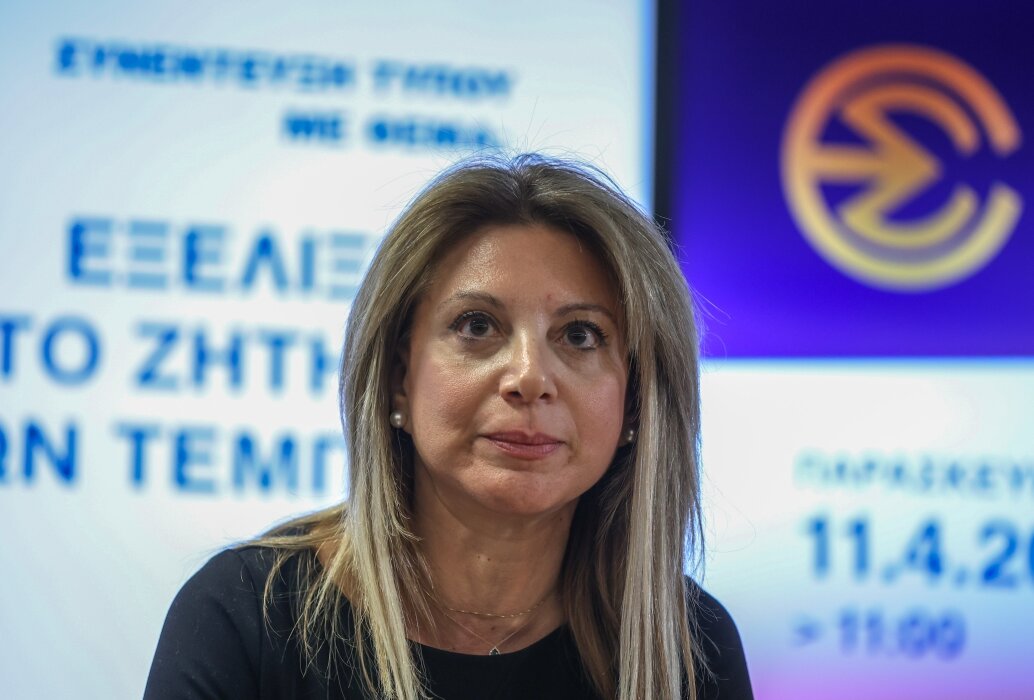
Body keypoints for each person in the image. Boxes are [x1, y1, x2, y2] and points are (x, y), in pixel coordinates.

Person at [143, 153, 753, 699]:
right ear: (398, 378)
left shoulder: (689, 646)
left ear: (636, 401)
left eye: (580, 335)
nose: (529, 377)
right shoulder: (246, 615)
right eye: (477, 326)